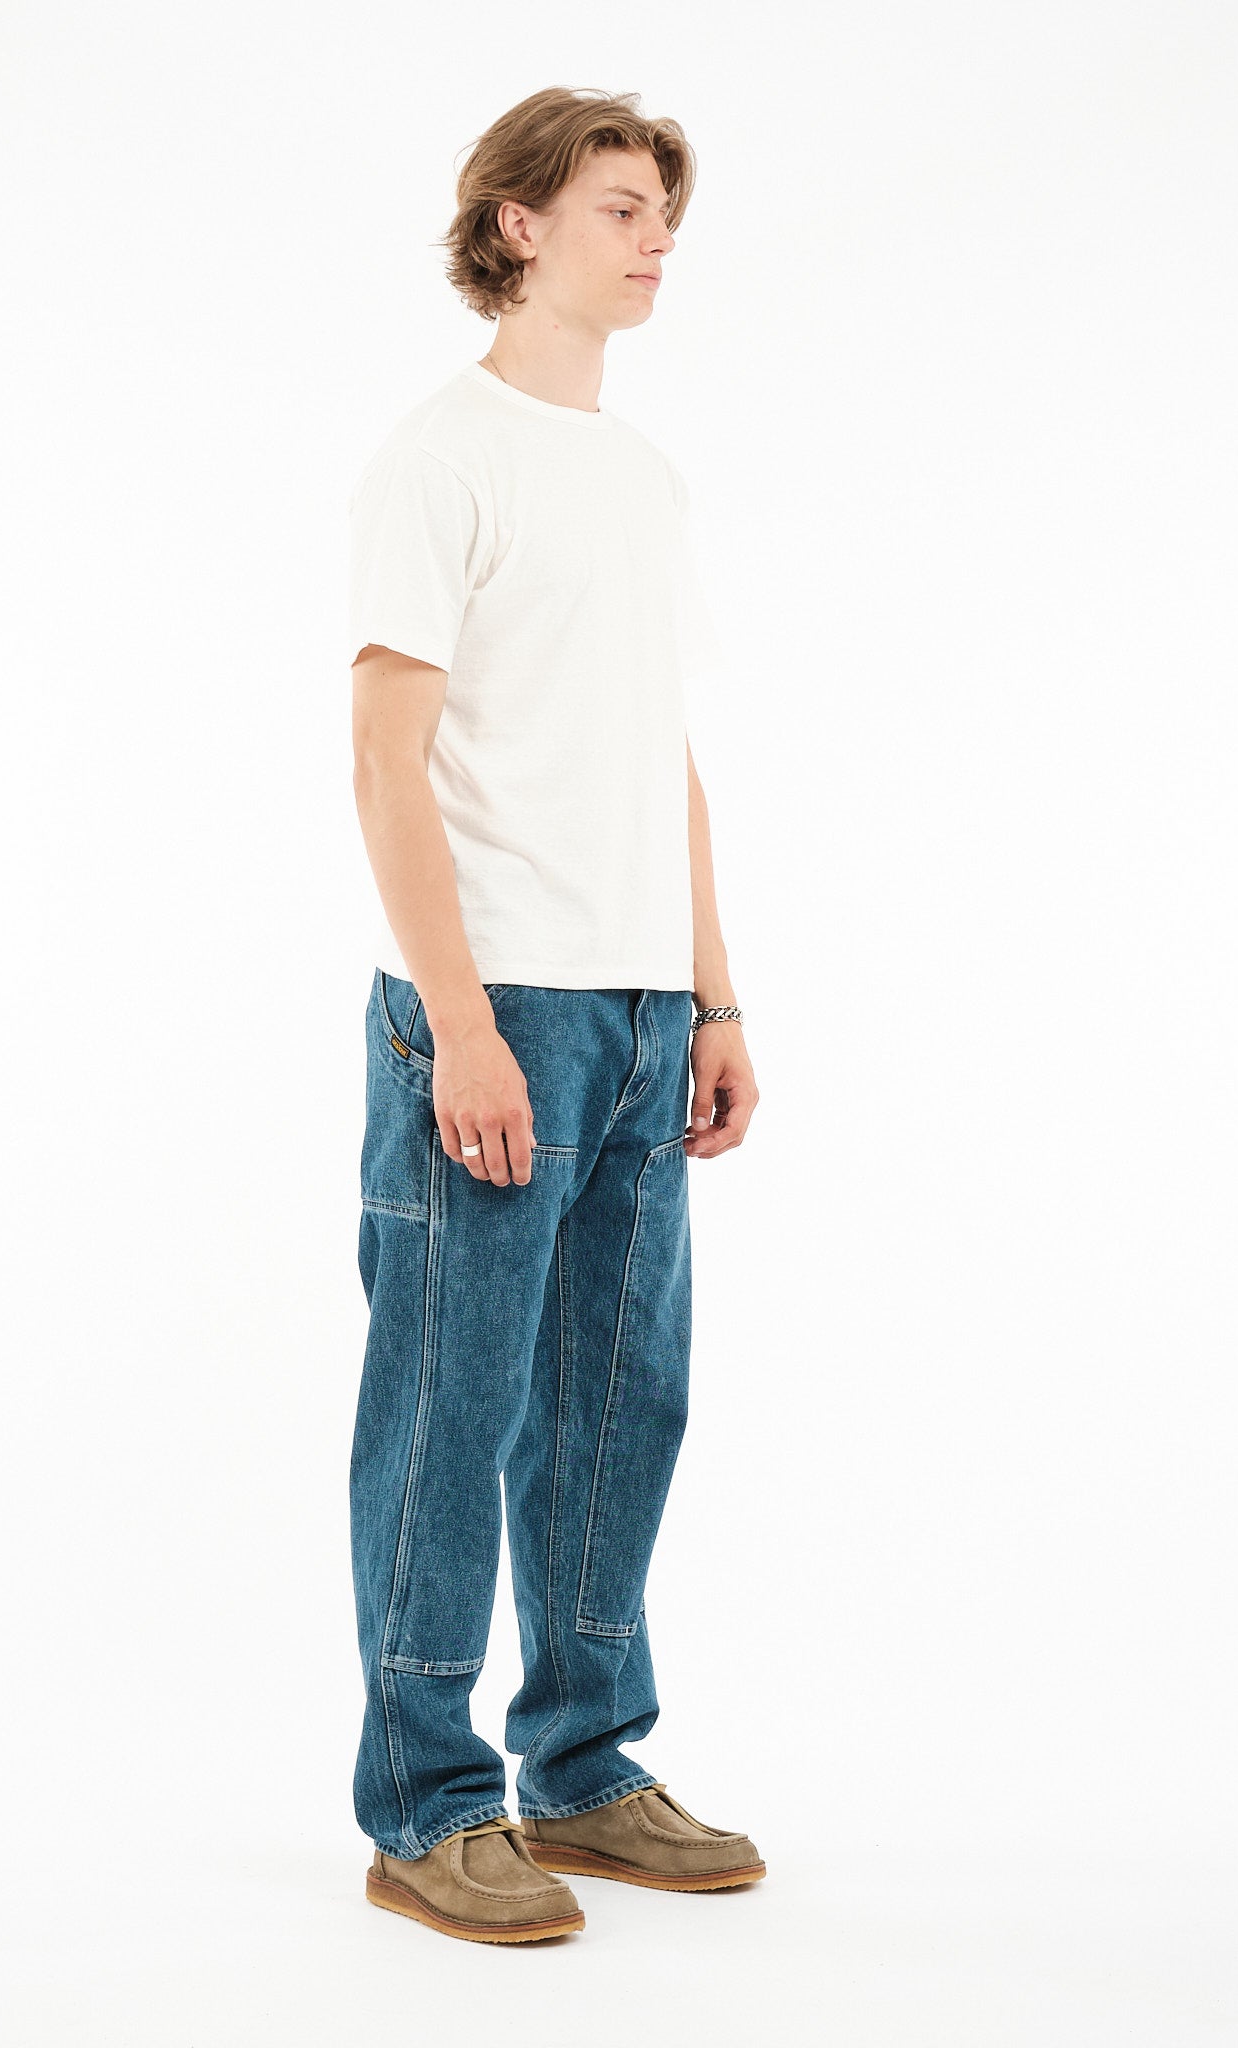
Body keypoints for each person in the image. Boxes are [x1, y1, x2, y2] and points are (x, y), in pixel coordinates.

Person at [346, 86, 763, 1945]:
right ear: (516, 224)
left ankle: (583, 1769)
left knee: (616, 1400)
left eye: (664, 207)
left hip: (640, 1003)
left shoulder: (642, 475)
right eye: (618, 205)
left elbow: (657, 754)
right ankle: (426, 1804)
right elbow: (385, 760)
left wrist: (713, 993)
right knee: (452, 1405)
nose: (656, 236)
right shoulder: (443, 460)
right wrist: (460, 1023)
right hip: (497, 997)